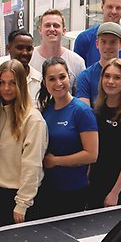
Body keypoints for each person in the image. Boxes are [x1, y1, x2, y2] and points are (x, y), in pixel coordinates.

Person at [0, 59, 48, 228]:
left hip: (17, 198)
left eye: (12, 83)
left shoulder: (33, 120)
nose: (6, 88)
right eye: (2, 83)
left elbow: (32, 164)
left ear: (21, 84)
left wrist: (22, 203)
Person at [36, 57, 99, 217]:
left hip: (73, 191)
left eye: (62, 77)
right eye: (52, 79)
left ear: (69, 77)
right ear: (45, 83)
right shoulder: (46, 110)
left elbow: (91, 155)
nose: (58, 83)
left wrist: (56, 161)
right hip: (47, 189)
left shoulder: (82, 111)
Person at [89, 58, 121, 208]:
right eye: (107, 76)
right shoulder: (98, 110)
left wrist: (115, 192)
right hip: (97, 182)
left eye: (117, 77)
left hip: (119, 187)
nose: (110, 81)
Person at [76, 22, 121, 106]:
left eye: (113, 42)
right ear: (97, 44)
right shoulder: (85, 77)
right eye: (103, 42)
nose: (108, 46)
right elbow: (84, 111)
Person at [0, 29, 41, 103]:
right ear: (8, 48)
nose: (25, 53)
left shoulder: (39, 80)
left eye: (29, 49)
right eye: (20, 48)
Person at [33, 8, 86, 79]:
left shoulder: (76, 62)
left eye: (56, 26)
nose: (51, 29)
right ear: (40, 30)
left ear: (64, 31)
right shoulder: (30, 58)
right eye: (47, 25)